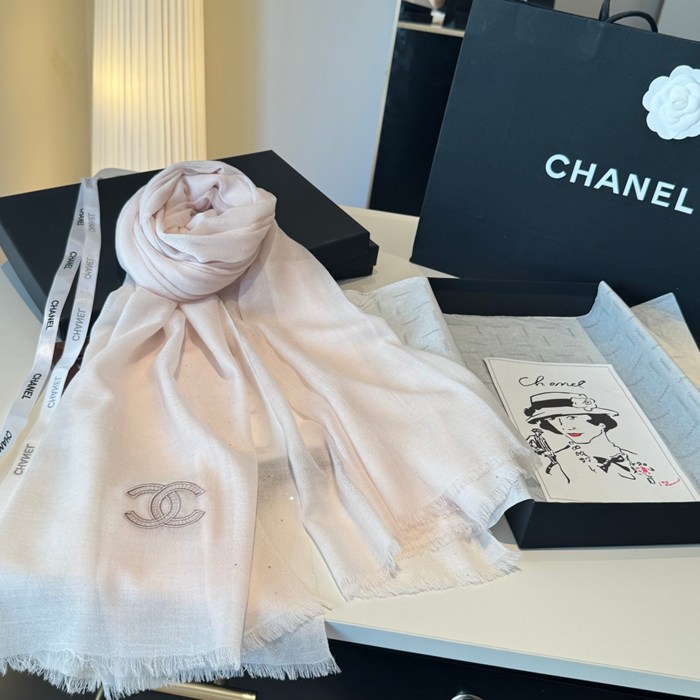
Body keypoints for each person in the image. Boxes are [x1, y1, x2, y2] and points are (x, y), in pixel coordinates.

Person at [523, 391, 637, 481]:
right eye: (553, 419)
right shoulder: (558, 463)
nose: (565, 427)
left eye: (571, 418)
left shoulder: (633, 455)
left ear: (601, 422)